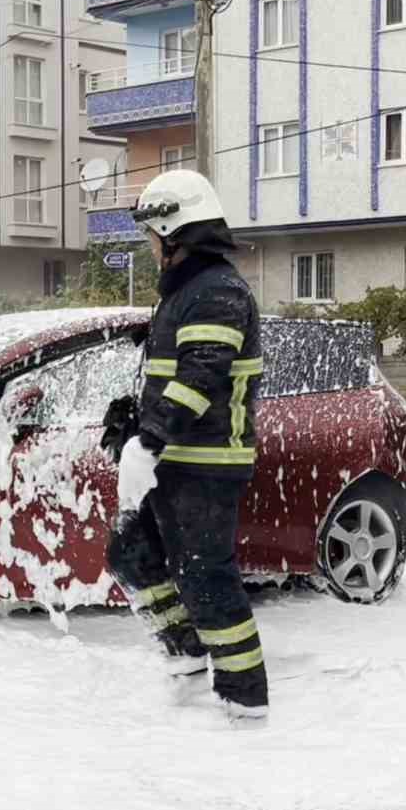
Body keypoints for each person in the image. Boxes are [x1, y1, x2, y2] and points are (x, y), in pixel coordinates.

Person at [102, 169, 268, 726]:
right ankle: (188, 653)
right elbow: (178, 367)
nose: (149, 246)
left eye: (153, 234)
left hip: (208, 461)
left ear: (175, 230)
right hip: (178, 456)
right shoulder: (187, 291)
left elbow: (202, 375)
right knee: (130, 552)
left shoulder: (215, 290)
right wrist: (136, 417)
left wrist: (151, 438)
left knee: (205, 574)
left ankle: (244, 696)